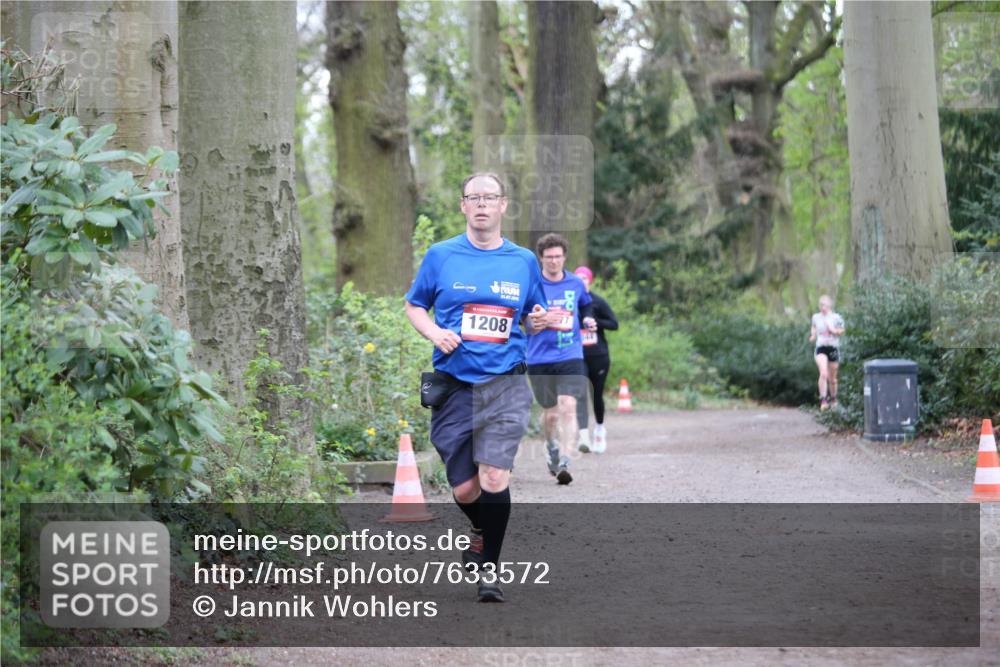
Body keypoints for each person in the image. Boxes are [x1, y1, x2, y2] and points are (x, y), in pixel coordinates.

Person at [405, 172, 548, 603]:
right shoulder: (441, 255)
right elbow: (415, 306)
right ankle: (480, 528)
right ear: (463, 206)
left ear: (504, 205)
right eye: (474, 197)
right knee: (466, 488)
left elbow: (532, 311)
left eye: (490, 197)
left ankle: (491, 572)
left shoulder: (523, 260)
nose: (482, 204)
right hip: (454, 384)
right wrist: (434, 333)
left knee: (493, 476)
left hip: (505, 381)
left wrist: (536, 320)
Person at [526, 233, 596, 485]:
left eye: (558, 257)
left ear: (564, 257)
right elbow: (522, 319)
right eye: (549, 258)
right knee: (551, 414)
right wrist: (539, 320)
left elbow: (586, 304)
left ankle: (566, 459)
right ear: (541, 259)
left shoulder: (576, 283)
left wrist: (587, 318)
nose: (554, 261)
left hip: (570, 354)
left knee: (568, 405)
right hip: (538, 357)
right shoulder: (532, 285)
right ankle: (551, 445)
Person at [572, 266, 618, 454]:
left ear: (589, 280)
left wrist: (596, 323)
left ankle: (599, 429)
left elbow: (614, 324)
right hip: (577, 355)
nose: (581, 281)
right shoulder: (571, 302)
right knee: (580, 394)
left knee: (596, 395)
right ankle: (583, 435)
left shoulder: (598, 301)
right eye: (578, 278)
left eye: (584, 278)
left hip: (599, 356)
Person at [808, 295, 845, 411]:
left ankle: (834, 399)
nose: (822, 307)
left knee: (832, 379)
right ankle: (823, 400)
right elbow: (813, 327)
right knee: (823, 373)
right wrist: (813, 335)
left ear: (829, 305)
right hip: (821, 348)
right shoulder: (816, 317)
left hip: (833, 348)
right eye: (820, 305)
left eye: (824, 305)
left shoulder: (836, 317)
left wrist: (833, 330)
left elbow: (841, 331)